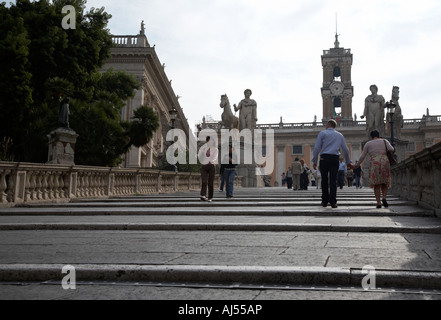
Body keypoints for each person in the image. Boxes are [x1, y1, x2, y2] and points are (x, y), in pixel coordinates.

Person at [312, 119, 351, 208]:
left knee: (324, 180)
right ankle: (333, 202)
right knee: (334, 180)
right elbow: (345, 149)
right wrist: (348, 161)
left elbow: (317, 148)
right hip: (334, 158)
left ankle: (325, 201)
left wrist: (314, 160)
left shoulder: (322, 133)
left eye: (326, 124)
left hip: (324, 158)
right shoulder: (340, 135)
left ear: (329, 124)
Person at [350, 130, 394, 208]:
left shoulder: (368, 143)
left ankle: (378, 203)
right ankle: (384, 197)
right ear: (379, 136)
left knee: (376, 183)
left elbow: (362, 156)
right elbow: (391, 149)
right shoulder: (384, 141)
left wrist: (356, 165)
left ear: (371, 137)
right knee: (385, 182)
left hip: (374, 163)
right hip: (384, 161)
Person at [198, 136, 218, 202]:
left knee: (210, 183)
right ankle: (203, 195)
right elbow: (200, 156)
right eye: (208, 141)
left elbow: (215, 157)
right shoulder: (204, 148)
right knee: (204, 181)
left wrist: (212, 161)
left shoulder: (215, 149)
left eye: (211, 140)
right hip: (204, 166)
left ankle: (210, 197)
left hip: (211, 166)